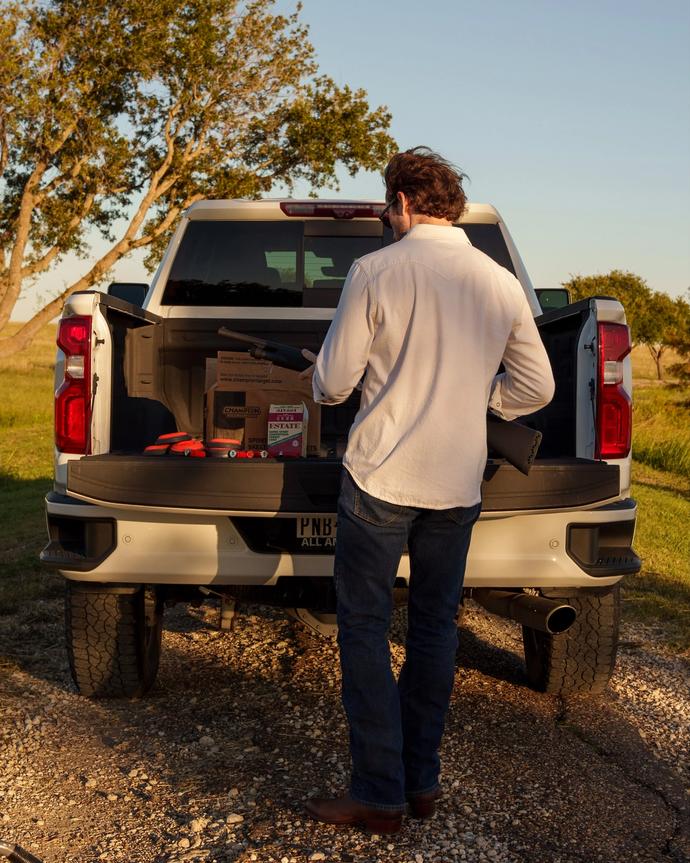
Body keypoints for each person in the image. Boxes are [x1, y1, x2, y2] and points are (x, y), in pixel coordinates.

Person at [300, 147, 555, 834]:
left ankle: (377, 792)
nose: (387, 217)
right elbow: (538, 387)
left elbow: (334, 384)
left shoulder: (375, 271)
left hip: (380, 477)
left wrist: (318, 373)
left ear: (406, 203)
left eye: (388, 206)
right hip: (456, 482)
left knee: (363, 626)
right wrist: (477, 399)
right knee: (436, 628)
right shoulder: (497, 280)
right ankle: (421, 784)